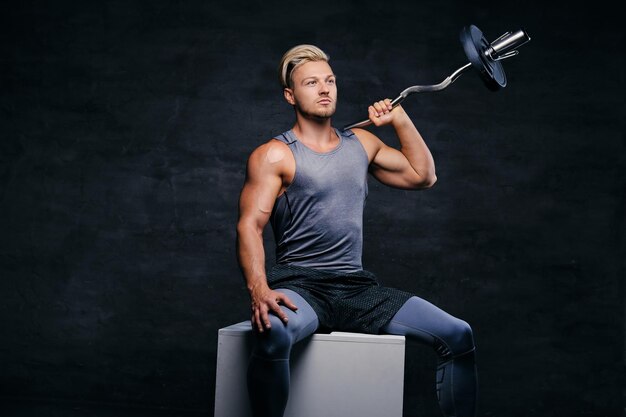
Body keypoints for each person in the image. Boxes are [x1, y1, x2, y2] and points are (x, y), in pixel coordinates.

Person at [236, 44, 478, 417]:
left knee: (458, 334)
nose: (324, 89)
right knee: (274, 333)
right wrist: (259, 290)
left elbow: (423, 176)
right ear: (290, 95)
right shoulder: (274, 155)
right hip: (302, 286)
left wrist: (399, 119)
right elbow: (250, 225)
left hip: (356, 288)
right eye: (311, 82)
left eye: (330, 81)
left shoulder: (361, 144)